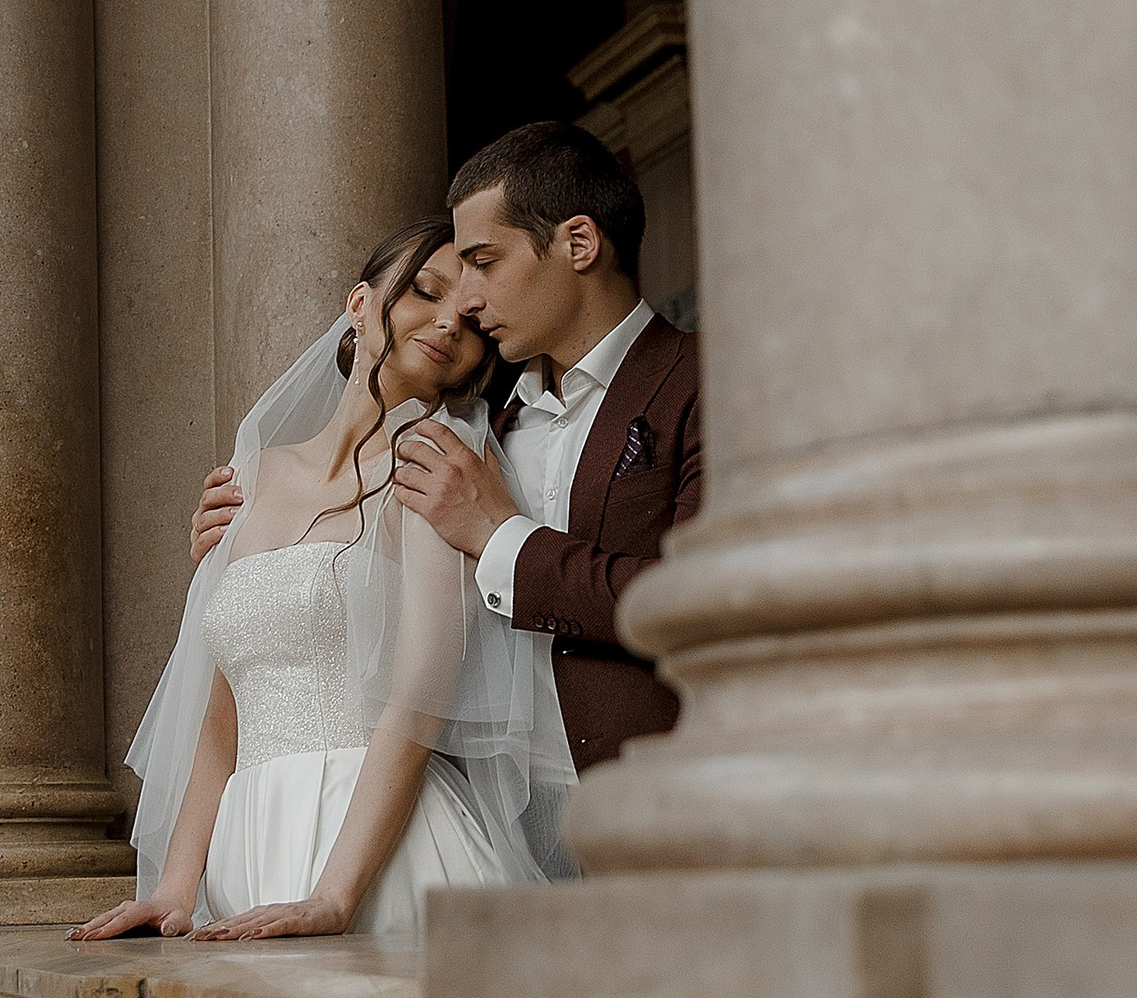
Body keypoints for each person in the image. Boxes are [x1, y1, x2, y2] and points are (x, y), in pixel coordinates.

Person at [77, 223, 548, 949]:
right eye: (425, 292)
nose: (449, 322)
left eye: (472, 318)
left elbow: (419, 700)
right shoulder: (254, 476)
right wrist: (174, 888)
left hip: (374, 847)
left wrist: (334, 896)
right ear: (359, 304)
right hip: (249, 839)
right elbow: (223, 716)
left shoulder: (440, 468)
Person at [190, 121, 701, 787]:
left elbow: (707, 598)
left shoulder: (707, 381)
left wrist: (500, 537)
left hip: (662, 790)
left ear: (579, 243)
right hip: (496, 809)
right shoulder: (481, 437)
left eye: (485, 263)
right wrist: (255, 546)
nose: (471, 302)